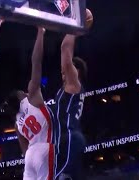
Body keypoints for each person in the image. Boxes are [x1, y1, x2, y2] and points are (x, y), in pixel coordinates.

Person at [2, 27, 55, 180]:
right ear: (21, 96)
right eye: (21, 91)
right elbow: (36, 61)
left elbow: (24, 151)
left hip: (30, 156)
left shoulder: (16, 123)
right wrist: (40, 33)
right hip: (44, 148)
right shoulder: (32, 95)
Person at [52, 33, 88, 180]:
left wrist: (72, 27)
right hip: (67, 139)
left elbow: (65, 49)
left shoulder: (74, 83)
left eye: (67, 69)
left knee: (61, 177)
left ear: (76, 71)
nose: (63, 71)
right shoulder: (68, 88)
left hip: (70, 137)